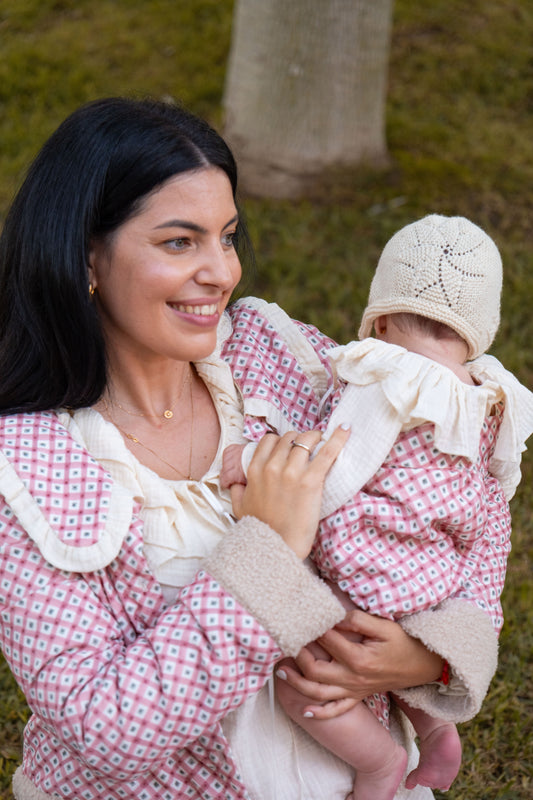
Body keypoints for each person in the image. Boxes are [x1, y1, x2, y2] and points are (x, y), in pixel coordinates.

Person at [0, 98, 502, 800]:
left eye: (226, 237)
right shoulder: (24, 469)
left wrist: (433, 655)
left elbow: (461, 495)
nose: (221, 273)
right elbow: (104, 727)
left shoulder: (280, 355)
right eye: (179, 242)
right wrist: (266, 546)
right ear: (87, 253)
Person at [221, 215, 533, 799]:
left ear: (381, 318)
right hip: (435, 582)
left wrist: (251, 460)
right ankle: (435, 727)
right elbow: (495, 497)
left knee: (301, 678)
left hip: (370, 571)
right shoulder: (487, 402)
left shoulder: (384, 377)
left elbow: (338, 459)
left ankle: (377, 765)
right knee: (397, 652)